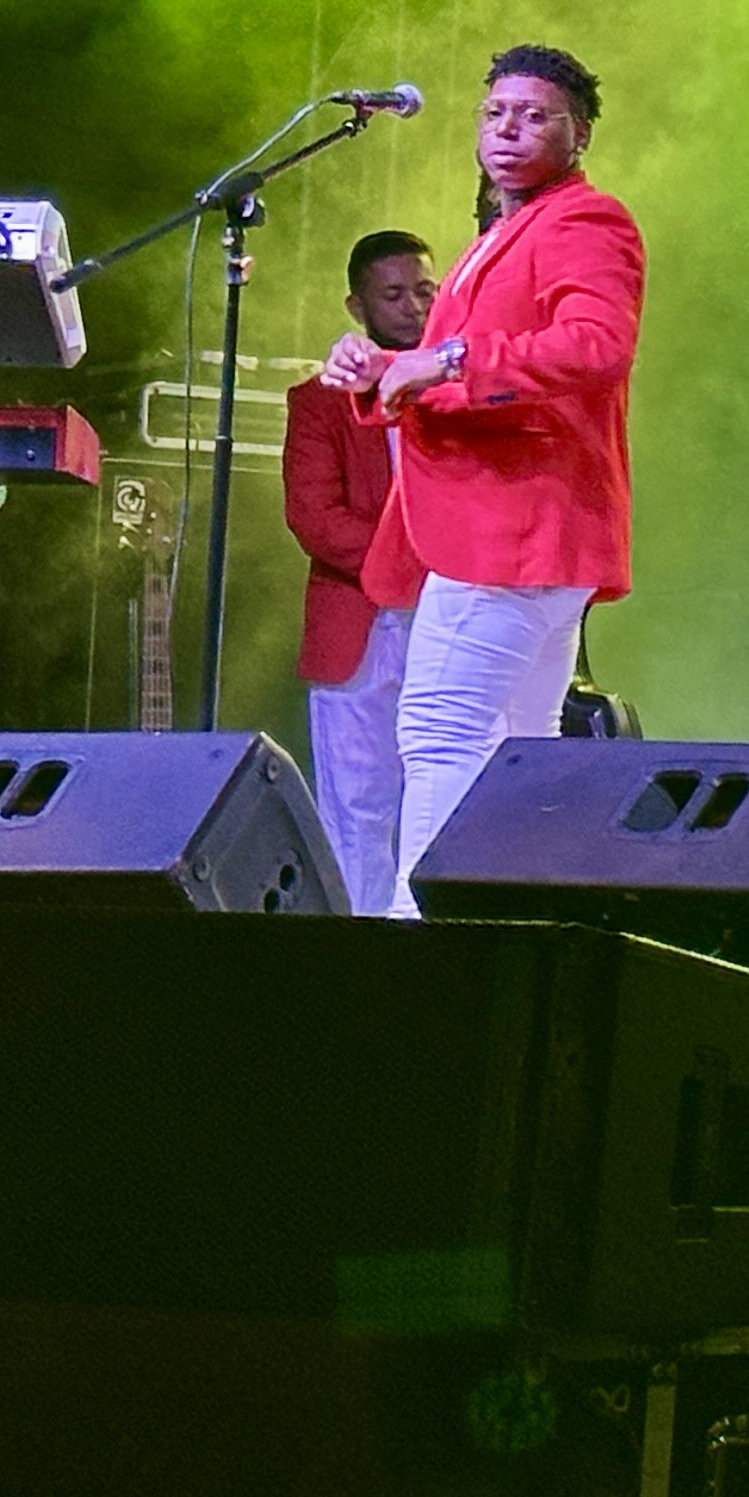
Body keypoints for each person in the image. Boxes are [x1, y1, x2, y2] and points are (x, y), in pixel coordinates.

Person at [323, 49, 641, 918]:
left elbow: (597, 345)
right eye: (496, 113)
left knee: (440, 734)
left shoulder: (587, 219)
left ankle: (416, 932)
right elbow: (451, 374)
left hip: (514, 527)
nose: (509, 129)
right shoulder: (503, 234)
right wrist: (383, 372)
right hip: (522, 530)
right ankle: (504, 926)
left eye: (535, 116)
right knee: (514, 751)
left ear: (579, 134)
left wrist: (446, 358)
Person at [282, 227, 435, 910]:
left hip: (447, 615)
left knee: (443, 793)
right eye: (394, 295)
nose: (414, 307)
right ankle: (361, 944)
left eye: (425, 290)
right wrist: (415, 559)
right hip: (360, 618)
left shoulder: (452, 387)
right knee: (356, 806)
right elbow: (313, 517)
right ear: (357, 306)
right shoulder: (319, 400)